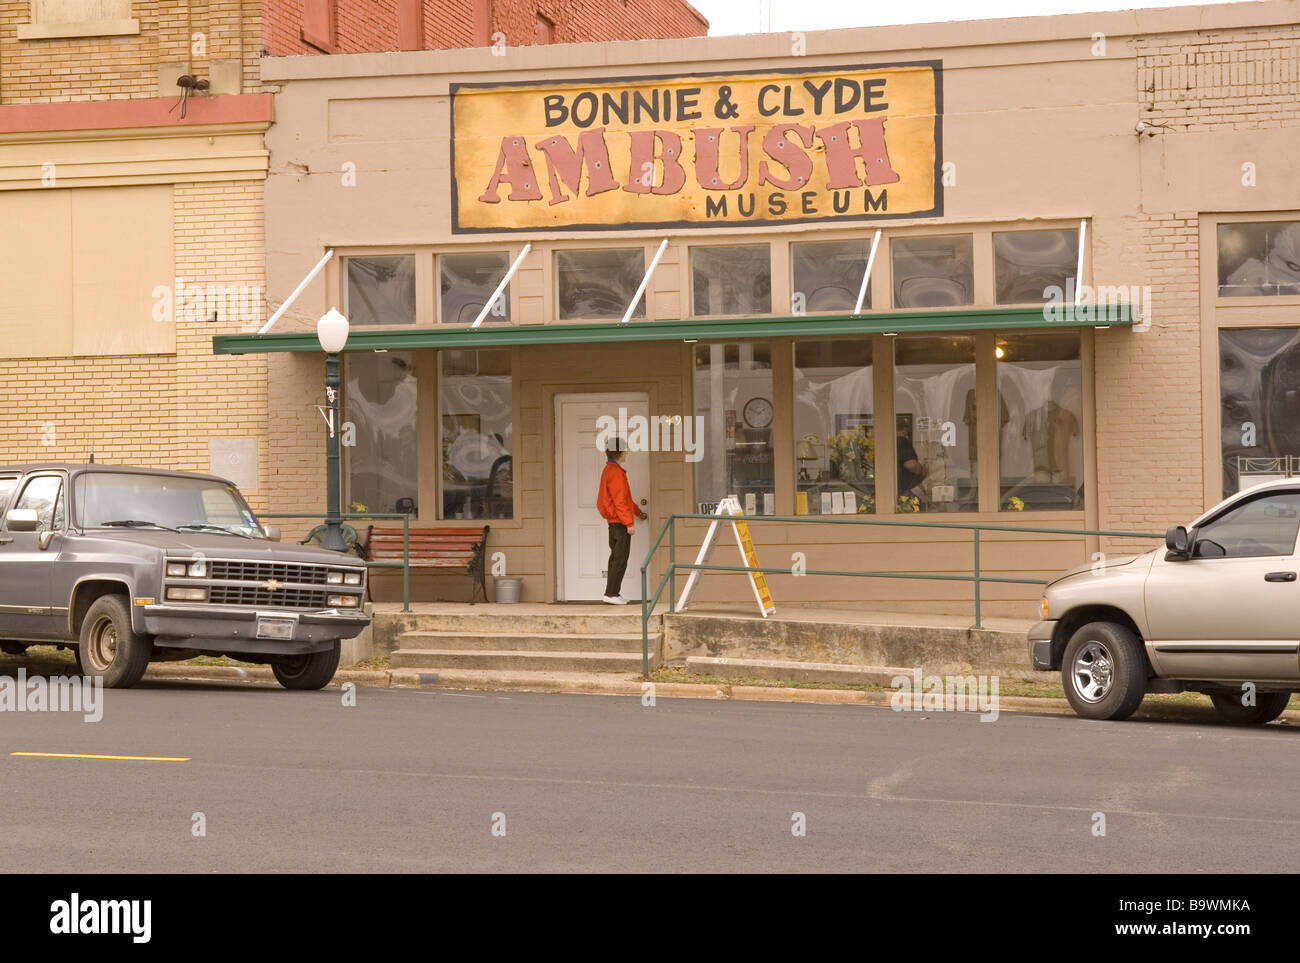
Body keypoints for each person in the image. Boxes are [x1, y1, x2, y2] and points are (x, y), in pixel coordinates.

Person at [596, 437, 647, 604]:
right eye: (625, 449)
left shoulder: (609, 470)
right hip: (620, 523)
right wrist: (629, 523)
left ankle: (612, 593)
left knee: (616, 558)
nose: (627, 452)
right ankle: (611, 594)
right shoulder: (616, 473)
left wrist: (638, 513)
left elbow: (624, 499)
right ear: (619, 451)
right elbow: (620, 501)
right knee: (620, 559)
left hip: (614, 523)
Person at [897, 424, 926, 495]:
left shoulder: (884, 442)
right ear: (903, 432)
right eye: (907, 434)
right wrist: (922, 469)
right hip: (904, 488)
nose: (906, 437)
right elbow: (911, 465)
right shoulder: (902, 441)